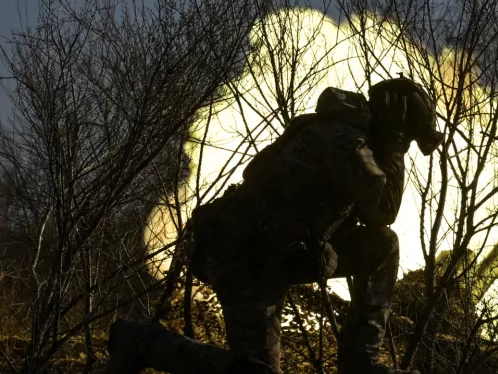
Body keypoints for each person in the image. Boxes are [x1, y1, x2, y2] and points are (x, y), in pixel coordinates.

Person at [106, 77, 444, 374]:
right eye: (409, 138)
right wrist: (395, 144)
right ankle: (141, 342)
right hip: (241, 255)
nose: (407, 146)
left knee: (381, 245)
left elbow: (372, 220)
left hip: (276, 255)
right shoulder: (341, 138)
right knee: (255, 373)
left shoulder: (355, 141)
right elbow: (385, 208)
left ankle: (360, 363)